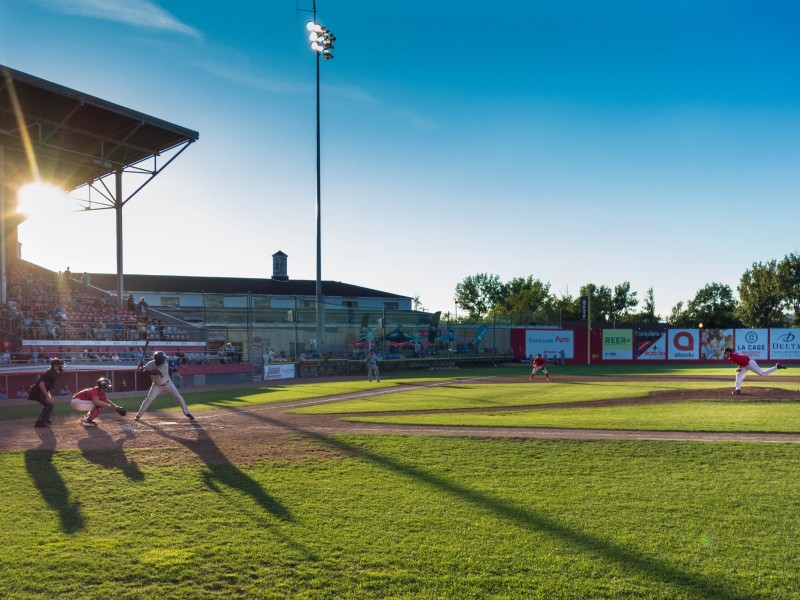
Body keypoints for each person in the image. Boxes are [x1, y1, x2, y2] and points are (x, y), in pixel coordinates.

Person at [134, 351, 194, 421]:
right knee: (149, 399)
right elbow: (143, 370)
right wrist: (141, 368)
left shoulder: (165, 364)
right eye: (162, 358)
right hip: (156, 385)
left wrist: (144, 370)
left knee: (179, 398)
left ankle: (187, 413)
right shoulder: (151, 363)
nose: (164, 359)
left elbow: (155, 372)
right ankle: (138, 415)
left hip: (168, 384)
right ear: (158, 359)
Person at [28, 357, 66, 427]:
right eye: (60, 365)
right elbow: (41, 385)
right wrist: (47, 396)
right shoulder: (50, 372)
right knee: (49, 405)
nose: (61, 366)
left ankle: (45, 419)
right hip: (37, 391)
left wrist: (49, 396)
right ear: (55, 366)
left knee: (50, 404)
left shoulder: (54, 372)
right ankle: (40, 422)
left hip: (39, 391)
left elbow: (47, 387)